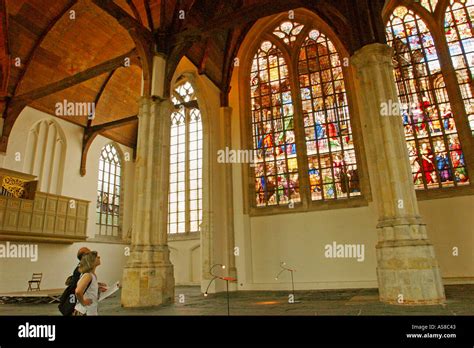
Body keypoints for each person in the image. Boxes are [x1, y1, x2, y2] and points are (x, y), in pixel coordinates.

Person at [73, 251, 106, 316]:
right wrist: (83, 302)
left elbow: (89, 290)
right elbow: (78, 291)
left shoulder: (92, 275)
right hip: (85, 311)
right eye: (97, 257)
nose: (99, 257)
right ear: (91, 261)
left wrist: (98, 289)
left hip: (90, 310)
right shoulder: (88, 275)